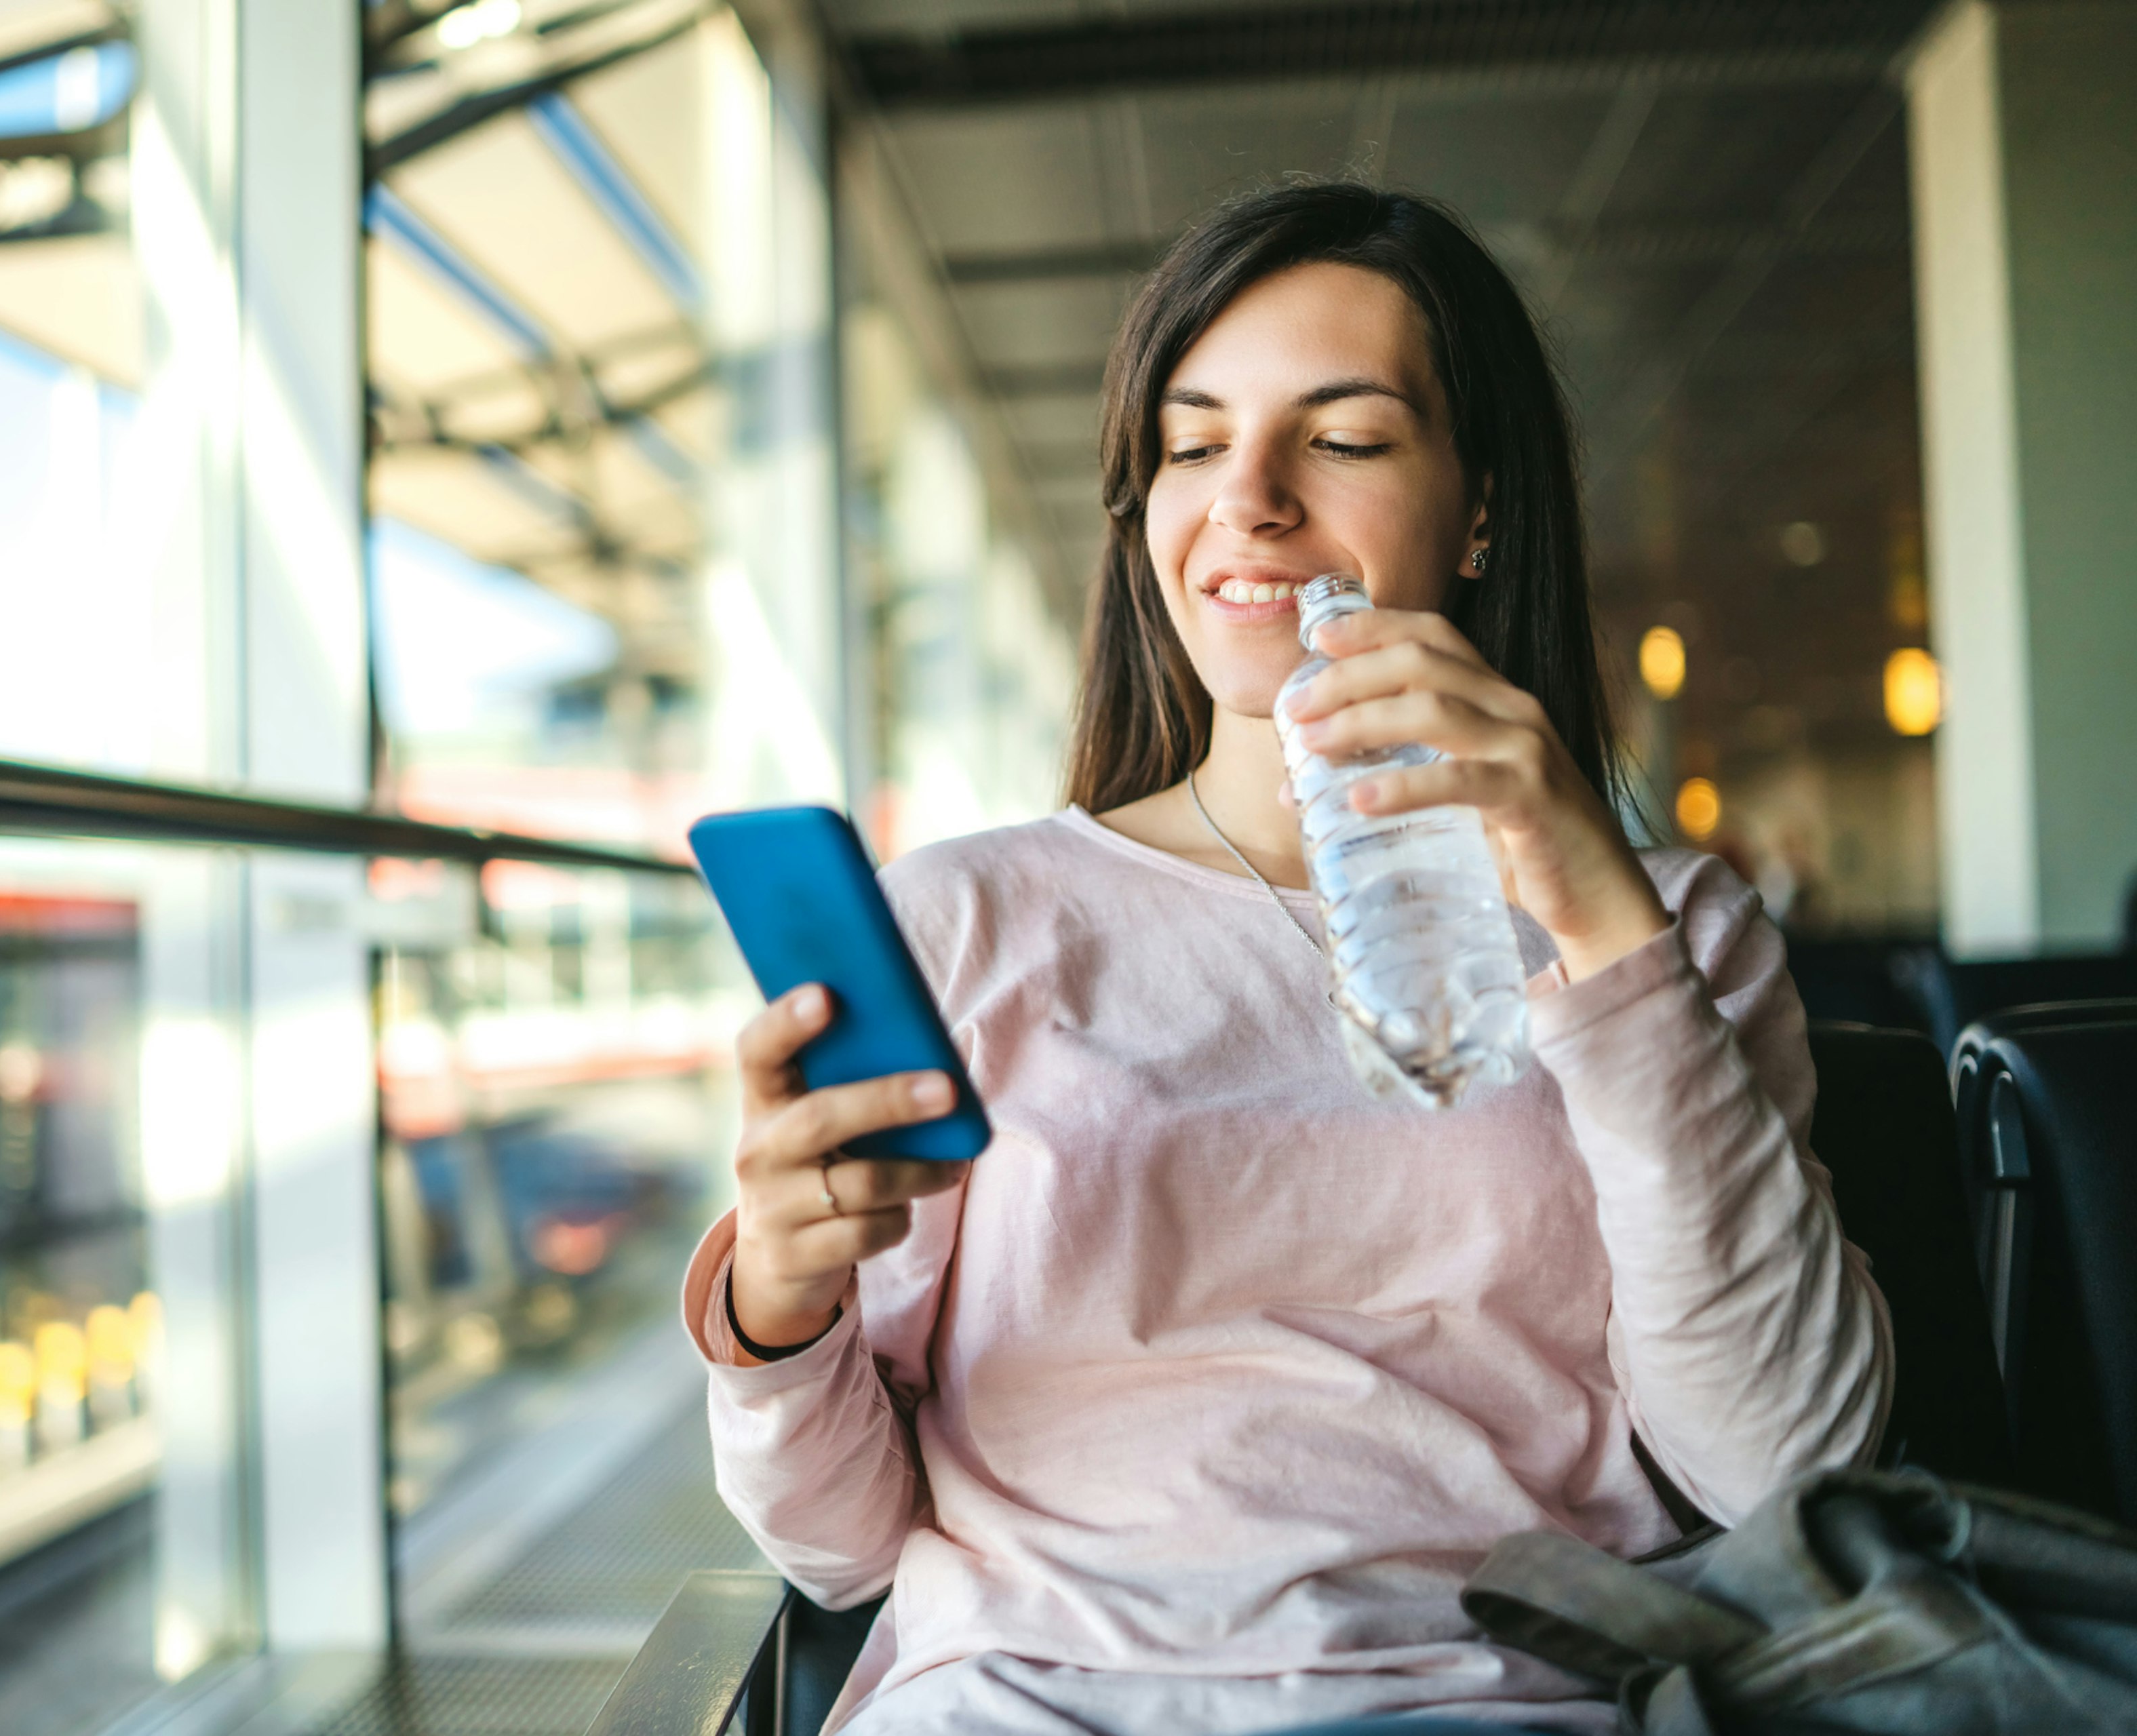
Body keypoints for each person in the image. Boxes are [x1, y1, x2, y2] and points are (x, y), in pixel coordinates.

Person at [684, 182, 1890, 1736]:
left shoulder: (1670, 930)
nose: (1244, 498)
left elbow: (1791, 1466)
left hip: (1495, 1698)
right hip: (1024, 1700)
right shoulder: (966, 921)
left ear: (1480, 509)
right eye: (1194, 441)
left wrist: (1597, 916)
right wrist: (780, 1303)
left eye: (1345, 437)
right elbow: (839, 1548)